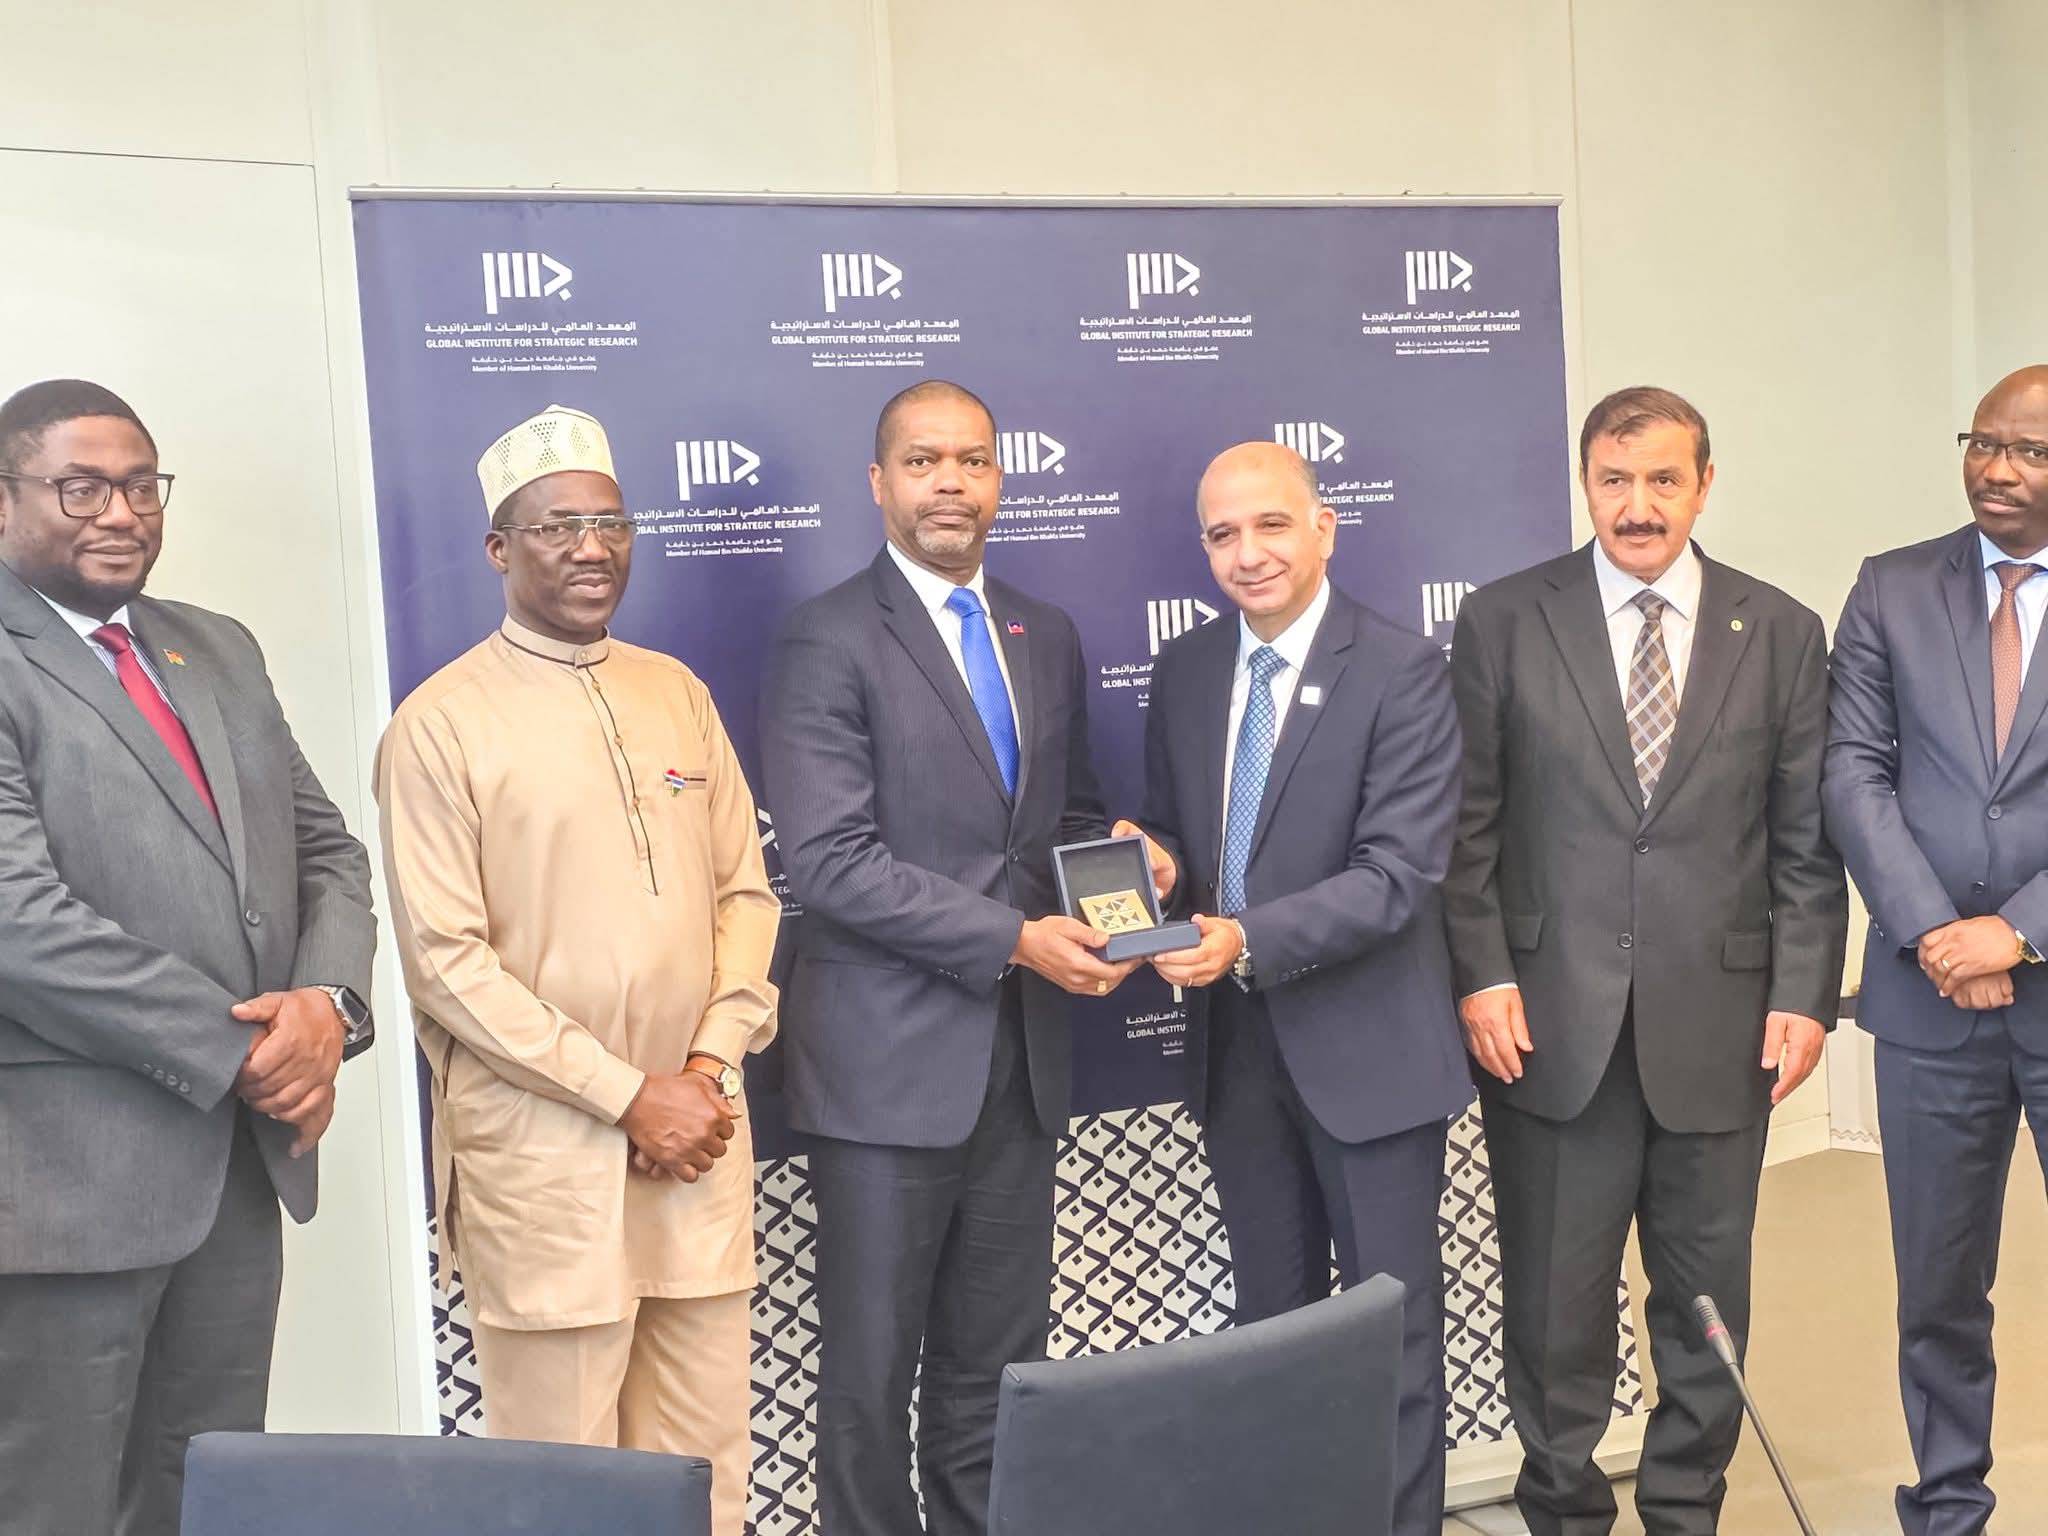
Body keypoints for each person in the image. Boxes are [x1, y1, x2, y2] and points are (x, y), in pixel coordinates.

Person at [1444, 386, 1847, 1536]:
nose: (1636, 505)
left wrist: (1803, 995)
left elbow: (1803, 841)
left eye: (1662, 480)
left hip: (1721, 1032)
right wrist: (1480, 972)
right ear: (1584, 483)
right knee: (1554, 1312)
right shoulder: (1503, 619)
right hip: (1547, 1029)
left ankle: (1683, 1511)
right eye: (1613, 480)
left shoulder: (1779, 630)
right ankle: (1563, 1514)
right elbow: (1465, 827)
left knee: (1705, 1307)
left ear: (1703, 486)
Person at [374, 404, 776, 1536]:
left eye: (611, 523)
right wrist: (628, 1096)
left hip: (696, 1143)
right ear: (499, 549)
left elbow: (746, 895)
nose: (592, 549)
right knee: (563, 1496)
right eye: (557, 528)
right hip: (547, 1165)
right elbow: (446, 965)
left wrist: (703, 1071)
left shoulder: (676, 692)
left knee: (705, 1478)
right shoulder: (439, 725)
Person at [759, 379, 1138, 1536]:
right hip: (883, 1074)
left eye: (971, 461)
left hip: (1020, 1072)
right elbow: (829, 862)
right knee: (870, 1381)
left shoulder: (1042, 632)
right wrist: (1015, 939)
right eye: (923, 462)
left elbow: (1063, 823)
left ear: (998, 480)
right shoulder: (825, 638)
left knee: (995, 1372)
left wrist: (1125, 882)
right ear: (878, 483)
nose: (949, 485)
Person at [0, 378, 376, 1536]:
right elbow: (21, 921)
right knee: (55, 1510)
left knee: (204, 1499)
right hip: (66, 1191)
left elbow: (328, 853)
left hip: (233, 1185)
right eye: (81, 488)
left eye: (141, 486)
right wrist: (253, 1052)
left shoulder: (216, 648)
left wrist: (327, 1006)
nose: (121, 512)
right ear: (6, 499)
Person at [1129, 440, 1468, 1534]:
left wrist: (1244, 938)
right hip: (1237, 1058)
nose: (1248, 553)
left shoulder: (1402, 669)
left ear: (1324, 527)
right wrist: (1163, 866)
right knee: (1268, 1337)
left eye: (1271, 524)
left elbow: (1398, 875)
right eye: (1222, 534)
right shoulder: (1186, 670)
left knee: (1389, 1341)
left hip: (1371, 1061)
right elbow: (1184, 833)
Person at [1823, 364, 2048, 1536]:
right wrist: (1933, 934)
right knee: (1937, 1289)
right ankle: (1946, 1505)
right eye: (1981, 443)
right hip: (1929, 1003)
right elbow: (1849, 771)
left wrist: (2016, 930)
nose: (1996, 471)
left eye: (2030, 453)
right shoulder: (1891, 587)